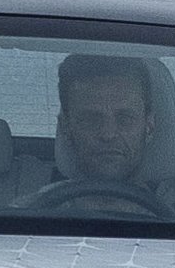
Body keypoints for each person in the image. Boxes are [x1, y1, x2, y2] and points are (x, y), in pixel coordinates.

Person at [56, 52, 156, 191]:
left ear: (149, 126)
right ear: (65, 127)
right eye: (90, 120)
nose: (108, 135)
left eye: (125, 119)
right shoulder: (28, 210)